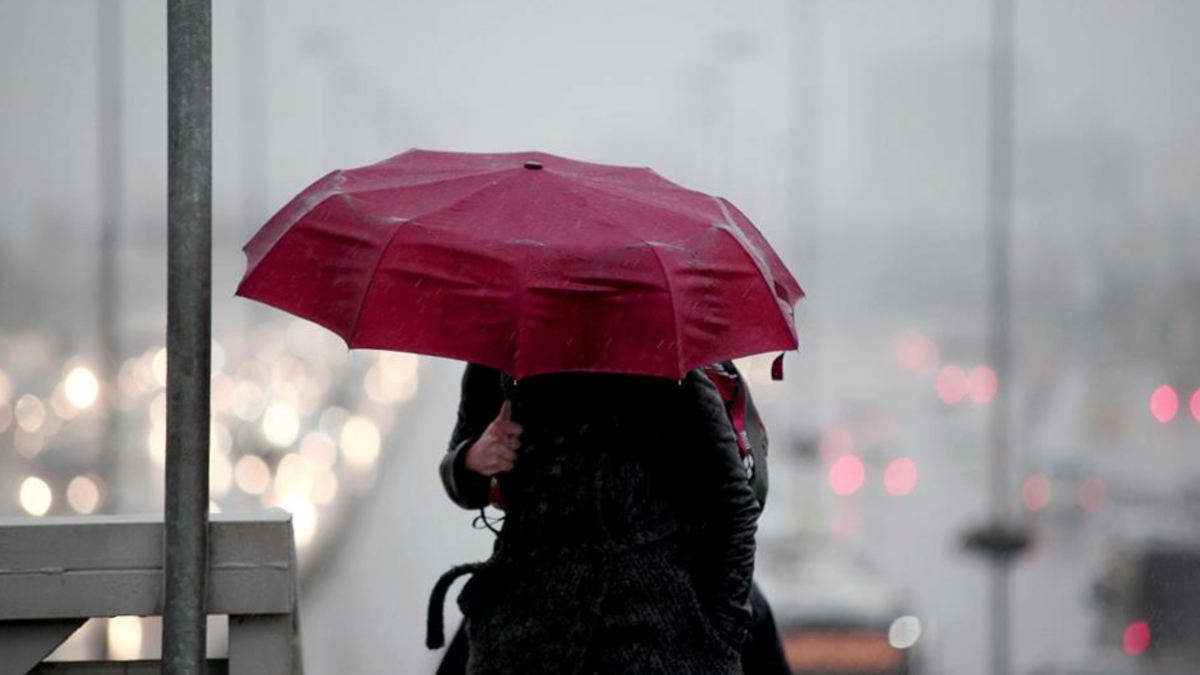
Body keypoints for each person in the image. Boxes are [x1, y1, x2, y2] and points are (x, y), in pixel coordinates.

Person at [427, 363, 760, 675]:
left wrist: (723, 636)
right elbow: (461, 477)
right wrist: (472, 459)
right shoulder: (502, 355)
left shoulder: (667, 363)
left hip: (653, 632)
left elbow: (734, 504)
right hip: (521, 630)